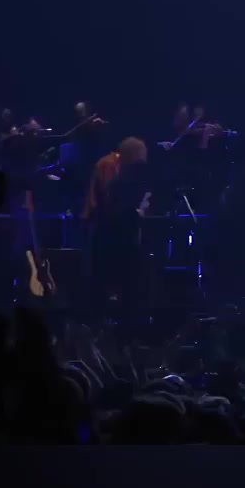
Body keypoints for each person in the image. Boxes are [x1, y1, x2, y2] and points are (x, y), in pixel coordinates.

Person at [91, 137, 153, 343]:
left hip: (114, 247)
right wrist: (138, 214)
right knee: (129, 298)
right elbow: (119, 214)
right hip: (122, 248)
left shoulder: (119, 182)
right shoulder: (127, 183)